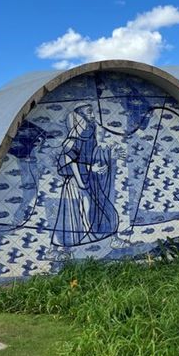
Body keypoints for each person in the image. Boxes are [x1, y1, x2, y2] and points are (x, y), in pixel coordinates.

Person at [52, 104, 119, 248]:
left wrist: (109, 155)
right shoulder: (72, 139)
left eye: (92, 112)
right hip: (76, 182)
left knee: (103, 210)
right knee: (76, 216)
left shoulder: (89, 133)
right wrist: (90, 168)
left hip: (89, 179)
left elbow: (93, 154)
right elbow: (68, 162)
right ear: (79, 117)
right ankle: (60, 247)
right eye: (89, 113)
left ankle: (110, 240)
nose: (93, 116)